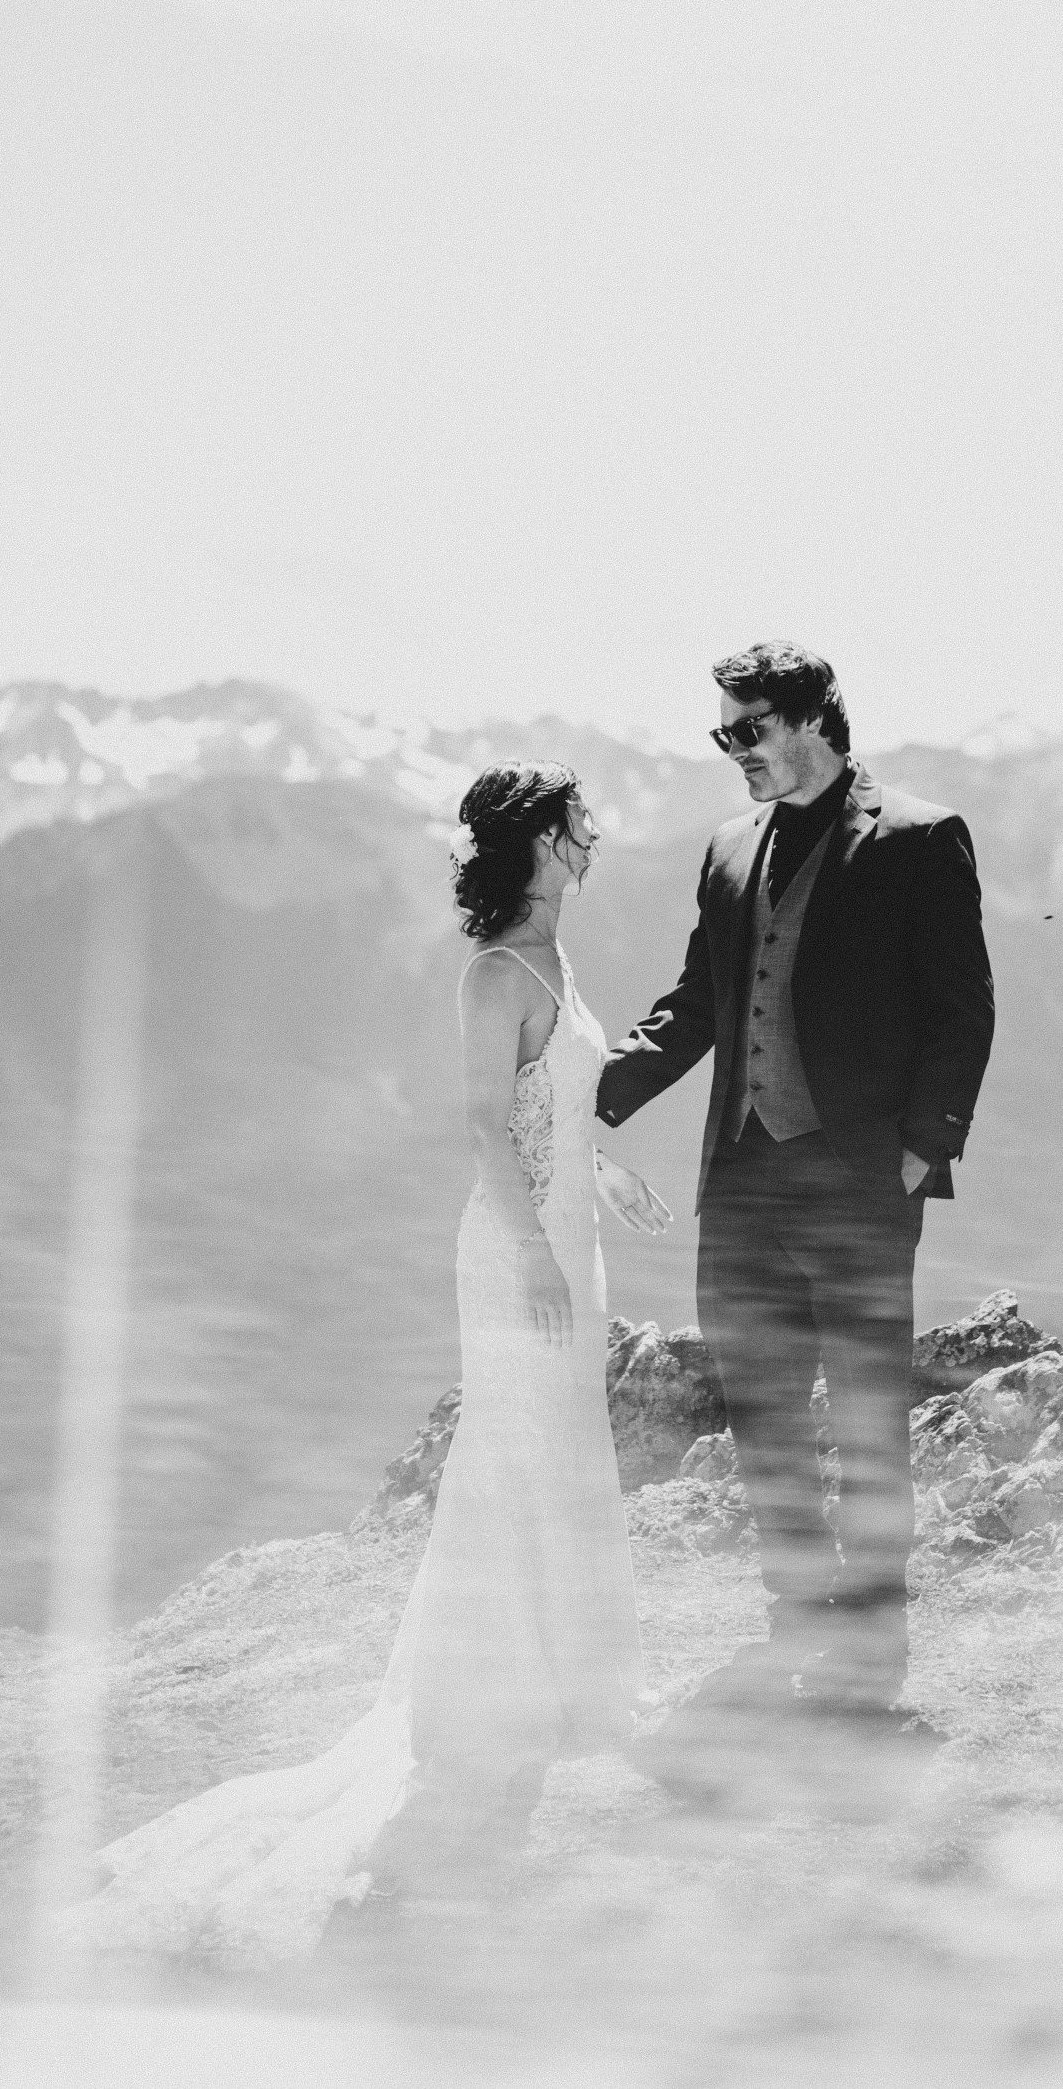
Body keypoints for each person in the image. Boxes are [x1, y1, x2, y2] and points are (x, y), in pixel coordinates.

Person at [61, 760, 669, 1964]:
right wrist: (533, 1257)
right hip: (514, 1258)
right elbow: (483, 1125)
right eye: (579, 821)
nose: (594, 834)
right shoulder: (493, 971)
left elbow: (557, 1111)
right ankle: (494, 1690)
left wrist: (606, 1177)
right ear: (544, 840)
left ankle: (564, 1675)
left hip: (567, 1237)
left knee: (564, 1451)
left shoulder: (560, 960)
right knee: (512, 1455)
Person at [597, 643, 994, 1720]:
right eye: (721, 733)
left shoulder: (916, 837)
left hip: (862, 1183)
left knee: (867, 1426)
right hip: (738, 1187)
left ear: (814, 717)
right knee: (762, 1420)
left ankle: (870, 1655)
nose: (733, 752)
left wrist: (921, 1150)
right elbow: (695, 1001)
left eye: (748, 729)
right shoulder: (727, 849)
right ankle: (794, 1625)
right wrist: (592, 1093)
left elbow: (961, 1011)